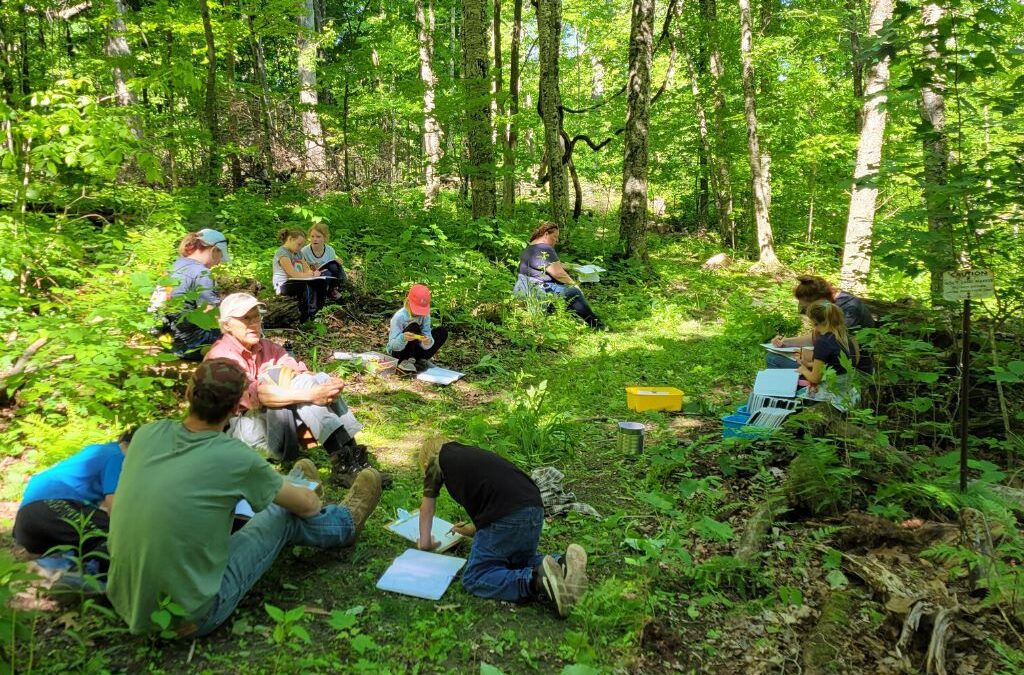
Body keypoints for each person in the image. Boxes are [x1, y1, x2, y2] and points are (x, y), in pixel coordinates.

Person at [107, 358, 383, 637]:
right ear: (235, 406)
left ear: (189, 393)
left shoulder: (146, 434)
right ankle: (346, 521)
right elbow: (308, 507)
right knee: (284, 513)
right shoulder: (233, 456)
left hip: (125, 602)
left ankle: (297, 484)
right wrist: (301, 497)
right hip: (190, 617)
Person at [205, 293, 388, 486]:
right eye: (245, 319)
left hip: (290, 431)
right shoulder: (222, 356)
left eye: (256, 316)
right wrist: (313, 393)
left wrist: (328, 387)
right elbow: (259, 396)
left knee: (320, 378)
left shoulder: (267, 348)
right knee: (304, 388)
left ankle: (352, 459)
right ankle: (344, 464)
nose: (253, 323)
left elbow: (302, 373)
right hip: (242, 434)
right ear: (226, 325)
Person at [416, 437, 588, 618]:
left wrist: (425, 543)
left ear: (426, 462)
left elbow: (427, 507)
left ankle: (537, 581)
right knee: (517, 562)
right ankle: (561, 564)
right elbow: (496, 497)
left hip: (506, 516)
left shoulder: (436, 460)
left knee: (475, 577)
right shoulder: (472, 455)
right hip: (534, 508)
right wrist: (469, 530)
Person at [13, 428, 136, 562]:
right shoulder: (118, 456)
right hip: (51, 508)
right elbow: (115, 508)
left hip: (27, 521)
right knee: (122, 536)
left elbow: (102, 506)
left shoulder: (98, 451)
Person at [150, 229, 231, 361]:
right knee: (242, 331)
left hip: (166, 341)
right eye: (221, 256)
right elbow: (210, 314)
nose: (219, 262)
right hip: (191, 344)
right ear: (214, 250)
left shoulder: (173, 267)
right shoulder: (201, 273)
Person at [767, 275, 875, 370]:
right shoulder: (831, 306)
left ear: (819, 301)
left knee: (773, 359)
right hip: (834, 364)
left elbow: (841, 350)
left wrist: (806, 354)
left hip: (851, 370)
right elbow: (816, 337)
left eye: (807, 307)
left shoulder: (848, 309)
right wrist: (786, 342)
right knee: (773, 356)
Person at [512, 221, 604, 329]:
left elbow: (548, 265)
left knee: (563, 290)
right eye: (555, 237)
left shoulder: (529, 248)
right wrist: (574, 285)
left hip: (524, 288)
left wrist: (573, 266)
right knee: (573, 292)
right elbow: (558, 273)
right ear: (546, 234)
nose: (556, 240)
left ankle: (574, 319)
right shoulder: (545, 248)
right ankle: (597, 324)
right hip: (538, 289)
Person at [796, 300, 868, 409]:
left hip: (831, 391)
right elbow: (836, 362)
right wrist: (810, 364)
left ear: (814, 321)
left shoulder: (823, 342)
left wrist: (803, 369)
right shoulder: (845, 337)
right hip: (846, 388)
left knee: (795, 388)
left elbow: (815, 379)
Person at [386, 284, 449, 373]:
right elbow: (392, 346)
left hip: (416, 349)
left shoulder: (425, 316)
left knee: (442, 332)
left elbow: (427, 335)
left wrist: (427, 341)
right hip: (400, 352)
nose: (419, 314)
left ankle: (420, 360)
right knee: (413, 326)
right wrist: (403, 338)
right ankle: (406, 360)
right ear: (408, 302)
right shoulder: (399, 317)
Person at [273, 227, 329, 322]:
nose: (300, 248)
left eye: (302, 245)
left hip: (297, 281)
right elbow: (293, 274)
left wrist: (313, 273)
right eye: (299, 244)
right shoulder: (282, 253)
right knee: (305, 285)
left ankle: (319, 313)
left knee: (321, 282)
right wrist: (309, 275)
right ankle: (306, 317)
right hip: (283, 284)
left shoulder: (298, 253)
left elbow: (306, 269)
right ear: (290, 239)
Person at [300, 223, 346, 301]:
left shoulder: (329, 250)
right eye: (312, 236)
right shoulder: (304, 251)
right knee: (325, 275)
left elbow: (332, 267)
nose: (315, 239)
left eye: (318, 236)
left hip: (327, 274)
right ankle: (318, 294)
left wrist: (338, 261)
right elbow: (301, 266)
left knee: (334, 267)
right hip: (312, 275)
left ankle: (333, 289)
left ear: (324, 238)